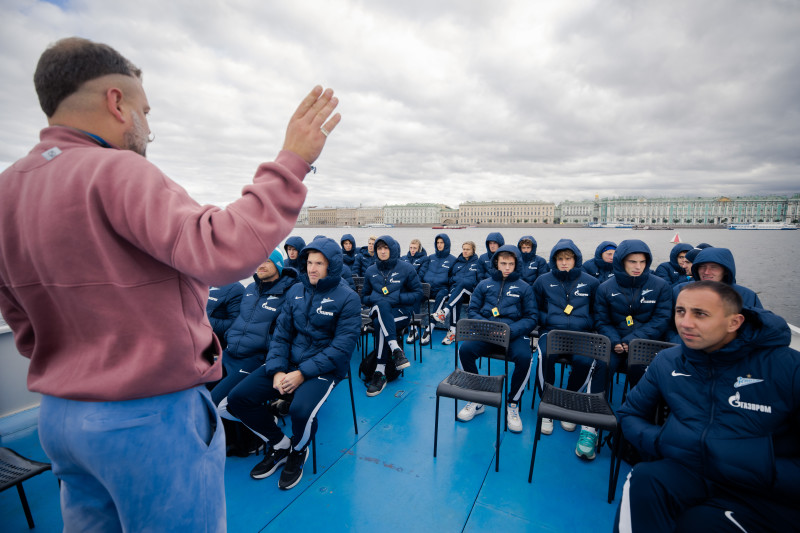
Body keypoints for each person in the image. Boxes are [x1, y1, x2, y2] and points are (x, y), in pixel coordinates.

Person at [0, 37, 340, 531]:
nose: (149, 127)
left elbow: (20, 319)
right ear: (116, 102)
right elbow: (222, 247)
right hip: (147, 421)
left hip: (61, 418)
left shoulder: (8, 190)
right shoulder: (117, 171)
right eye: (145, 109)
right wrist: (292, 161)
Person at [614, 281, 800, 532]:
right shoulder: (668, 362)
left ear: (734, 322)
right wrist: (661, 441)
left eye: (700, 314)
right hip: (691, 469)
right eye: (681, 311)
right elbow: (630, 413)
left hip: (761, 487)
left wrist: (760, 467)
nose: (686, 323)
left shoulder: (787, 368)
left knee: (700, 523)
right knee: (644, 479)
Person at [226, 238, 360, 490]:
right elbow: (281, 334)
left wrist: (301, 373)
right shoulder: (296, 291)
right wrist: (277, 369)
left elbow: (341, 348)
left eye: (319, 263)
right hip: (287, 364)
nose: (312, 268)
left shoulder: (348, 298)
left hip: (324, 369)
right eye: (309, 262)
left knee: (300, 410)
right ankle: (280, 444)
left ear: (331, 266)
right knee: (238, 399)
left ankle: (298, 450)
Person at [590, 239, 672, 460]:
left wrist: (633, 340)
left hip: (644, 344)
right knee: (601, 366)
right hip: (614, 342)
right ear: (621, 262)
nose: (638, 266)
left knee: (642, 375)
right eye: (632, 262)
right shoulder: (605, 287)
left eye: (642, 262)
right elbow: (601, 320)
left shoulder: (660, 286)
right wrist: (615, 340)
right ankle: (591, 426)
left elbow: (661, 320)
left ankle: (634, 427)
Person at [457, 245, 537, 433]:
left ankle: (513, 403)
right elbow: (473, 310)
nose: (507, 267)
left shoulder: (525, 288)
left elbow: (532, 317)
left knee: (525, 358)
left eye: (510, 264)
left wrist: (509, 330)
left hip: (513, 335)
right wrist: (488, 327)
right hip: (487, 332)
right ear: (496, 263)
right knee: (465, 350)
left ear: (516, 264)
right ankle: (477, 399)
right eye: (503, 263)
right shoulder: (484, 284)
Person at [210, 250, 296, 407]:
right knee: (195, 383)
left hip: (255, 358)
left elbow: (288, 332)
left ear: (278, 265)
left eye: (267, 261)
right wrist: (230, 336)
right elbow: (241, 320)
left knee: (216, 400)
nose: (260, 265)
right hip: (229, 352)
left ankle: (263, 419)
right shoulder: (251, 289)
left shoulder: (290, 293)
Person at [533, 239, 599, 438]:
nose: (564, 262)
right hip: (552, 331)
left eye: (568, 258)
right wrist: (551, 319)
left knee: (586, 361)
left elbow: (598, 311)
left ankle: (570, 402)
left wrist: (587, 322)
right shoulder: (543, 281)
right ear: (554, 260)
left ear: (575, 259)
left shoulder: (591, 282)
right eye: (560, 259)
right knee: (545, 357)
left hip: (581, 333)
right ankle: (549, 404)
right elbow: (535, 309)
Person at [361, 235, 423, 395]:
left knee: (378, 324)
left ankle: (380, 372)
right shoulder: (371, 270)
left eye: (386, 248)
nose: (382, 251)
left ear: (392, 249)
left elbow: (418, 294)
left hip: (401, 312)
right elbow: (364, 297)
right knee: (381, 305)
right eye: (379, 248)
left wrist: (397, 298)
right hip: (377, 309)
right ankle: (396, 350)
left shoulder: (406, 268)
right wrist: (378, 298)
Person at [436, 241, 483, 345]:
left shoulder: (477, 263)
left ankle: (444, 312)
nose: (465, 251)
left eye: (468, 249)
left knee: (463, 284)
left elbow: (480, 279)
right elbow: (450, 278)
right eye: (464, 249)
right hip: (458, 292)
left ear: (473, 250)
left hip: (470, 292)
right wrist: (453, 286)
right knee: (456, 298)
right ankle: (452, 332)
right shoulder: (457, 263)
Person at [418, 233, 456, 345]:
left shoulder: (453, 260)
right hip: (429, 288)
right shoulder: (431, 258)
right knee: (415, 294)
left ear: (447, 244)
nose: (439, 245)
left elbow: (453, 278)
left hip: (442, 288)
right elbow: (422, 271)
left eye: (442, 243)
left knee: (441, 295)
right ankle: (413, 327)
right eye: (438, 243)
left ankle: (429, 329)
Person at [207, 281, 245, 350]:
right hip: (191, 335)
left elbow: (234, 323)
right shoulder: (204, 281)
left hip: (212, 344)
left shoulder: (236, 289)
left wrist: (201, 322)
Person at [402, 238, 428, 342]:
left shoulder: (424, 259)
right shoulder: (404, 258)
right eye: (411, 248)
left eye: (415, 248)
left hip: (417, 287)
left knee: (414, 297)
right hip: (404, 286)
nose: (412, 250)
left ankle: (414, 329)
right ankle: (401, 324)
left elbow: (420, 275)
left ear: (419, 249)